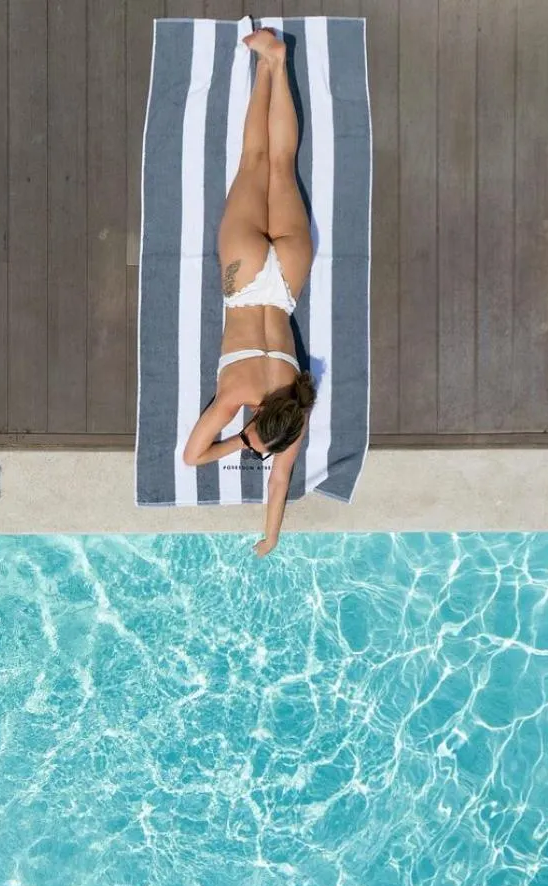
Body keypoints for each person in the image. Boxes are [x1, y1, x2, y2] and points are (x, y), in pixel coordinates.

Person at [180, 28, 316, 559]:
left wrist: (275, 533)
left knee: (279, 165)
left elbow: (281, 482)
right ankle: (266, 66)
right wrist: (239, 443)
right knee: (253, 161)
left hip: (285, 279)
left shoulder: (295, 409)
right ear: (255, 419)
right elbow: (193, 457)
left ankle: (276, 65)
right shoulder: (234, 396)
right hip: (243, 281)